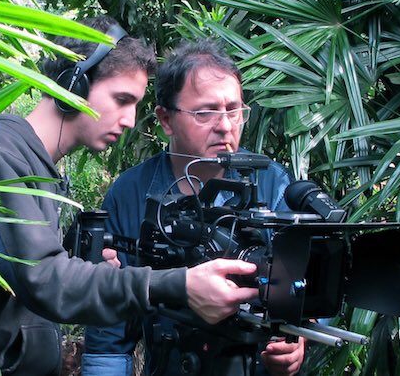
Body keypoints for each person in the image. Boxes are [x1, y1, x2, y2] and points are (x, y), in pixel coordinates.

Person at [0, 17, 262, 375]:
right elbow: (44, 281)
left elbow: (18, 277)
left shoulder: (35, 163)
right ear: (73, 86)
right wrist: (175, 284)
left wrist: (81, 264)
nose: (131, 120)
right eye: (121, 99)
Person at [82, 40, 305, 376]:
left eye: (233, 110)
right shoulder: (130, 193)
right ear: (166, 119)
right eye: (205, 112)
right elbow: (108, 334)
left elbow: (307, 288)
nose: (226, 126)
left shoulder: (272, 184)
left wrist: (296, 342)